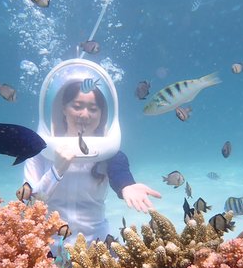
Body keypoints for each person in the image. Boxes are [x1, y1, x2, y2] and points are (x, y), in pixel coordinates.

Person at [24, 67, 162, 245]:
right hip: (48, 249)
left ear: (102, 115)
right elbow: (30, 205)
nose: (85, 114)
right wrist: (56, 170)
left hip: (97, 247)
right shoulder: (38, 152)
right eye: (77, 106)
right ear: (63, 109)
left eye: (93, 108)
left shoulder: (108, 153)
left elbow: (119, 168)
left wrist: (127, 185)